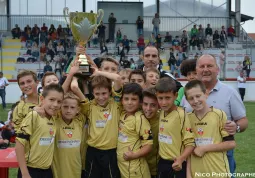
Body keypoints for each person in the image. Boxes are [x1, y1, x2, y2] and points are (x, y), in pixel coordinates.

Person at [182, 54, 248, 177]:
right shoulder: (187, 94)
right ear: (196, 70)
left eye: (210, 66)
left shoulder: (230, 92)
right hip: (195, 155)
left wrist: (236, 127)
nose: (205, 69)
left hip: (222, 155)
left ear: (217, 69)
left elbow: (243, 120)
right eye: (202, 66)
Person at [184, 80, 236, 178]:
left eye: (198, 96)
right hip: (196, 173)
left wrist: (204, 148)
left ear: (206, 94)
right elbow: (188, 149)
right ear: (187, 100)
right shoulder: (187, 119)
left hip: (218, 171)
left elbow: (231, 143)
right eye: (191, 98)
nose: (195, 101)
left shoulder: (219, 115)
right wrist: (189, 174)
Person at [15, 84, 63, 178]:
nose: (55, 104)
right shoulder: (34, 116)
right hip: (30, 171)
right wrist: (25, 173)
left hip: (47, 171)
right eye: (52, 100)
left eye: (59, 101)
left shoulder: (54, 119)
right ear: (42, 99)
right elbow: (19, 145)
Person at [81, 71, 122, 178]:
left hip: (111, 152)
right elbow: (75, 88)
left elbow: (117, 78)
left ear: (110, 92)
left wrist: (98, 72)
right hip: (92, 151)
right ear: (93, 93)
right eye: (97, 94)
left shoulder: (116, 103)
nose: (101, 97)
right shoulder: (89, 106)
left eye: (104, 93)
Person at [155, 77, 195, 177]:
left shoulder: (182, 115)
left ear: (176, 95)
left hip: (177, 164)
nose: (163, 102)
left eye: (167, 98)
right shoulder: (160, 113)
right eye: (160, 98)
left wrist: (181, 159)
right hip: (162, 163)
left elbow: (190, 144)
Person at [117, 83, 153, 178]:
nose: (129, 102)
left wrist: (134, 155)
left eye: (134, 99)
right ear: (122, 100)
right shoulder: (122, 114)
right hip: (123, 167)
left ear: (140, 102)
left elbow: (148, 145)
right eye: (126, 99)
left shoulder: (140, 119)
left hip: (136, 169)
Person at [52, 92, 85, 178]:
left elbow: (87, 104)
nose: (68, 110)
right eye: (65, 107)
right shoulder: (54, 122)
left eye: (72, 107)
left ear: (78, 110)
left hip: (76, 171)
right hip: (58, 172)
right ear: (60, 107)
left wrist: (75, 88)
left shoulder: (80, 122)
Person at [142, 88, 160, 178]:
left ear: (159, 106)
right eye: (145, 104)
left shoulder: (163, 121)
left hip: (154, 170)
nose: (148, 109)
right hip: (137, 168)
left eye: (153, 105)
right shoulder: (136, 117)